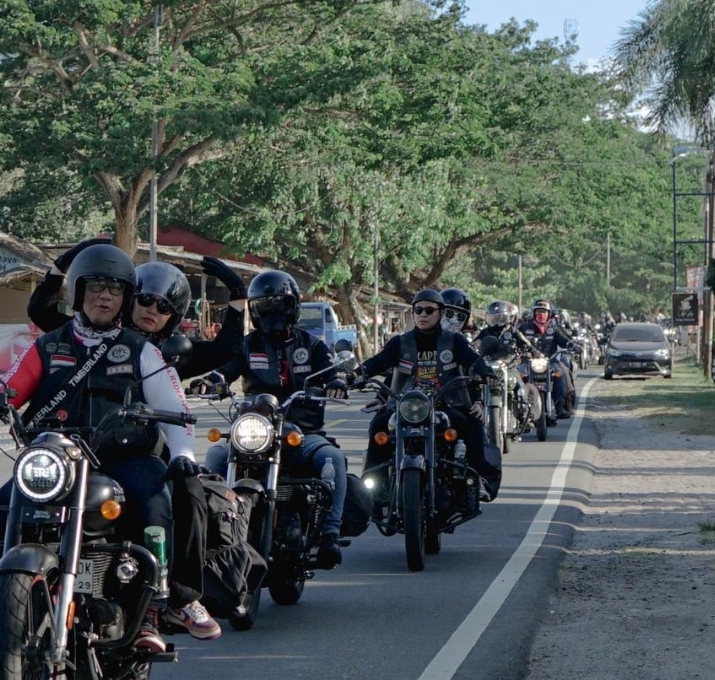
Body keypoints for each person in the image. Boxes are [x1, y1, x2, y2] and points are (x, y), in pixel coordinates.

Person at [0, 244, 219, 651]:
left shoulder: (143, 351)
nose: (104, 297)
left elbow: (176, 410)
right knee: (5, 505)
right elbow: (9, 387)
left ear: (125, 297)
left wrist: (183, 456)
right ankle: (1, 611)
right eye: (95, 288)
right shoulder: (47, 346)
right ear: (78, 292)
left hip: (124, 458)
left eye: (113, 289)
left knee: (154, 499)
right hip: (59, 457)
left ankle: (153, 610)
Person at [188, 270, 350, 567]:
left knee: (333, 459)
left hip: (303, 432)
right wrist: (210, 382)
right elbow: (226, 369)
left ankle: (330, 533)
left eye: (278, 305)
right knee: (215, 455)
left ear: (292, 307)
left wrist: (337, 382)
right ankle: (212, 530)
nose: (272, 312)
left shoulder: (312, 346)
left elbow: (332, 371)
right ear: (254, 310)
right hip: (255, 431)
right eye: (264, 306)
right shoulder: (248, 346)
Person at [355, 288, 501, 502]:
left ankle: (478, 478)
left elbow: (473, 360)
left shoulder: (455, 342)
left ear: (440, 314)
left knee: (472, 424)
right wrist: (355, 375)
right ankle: (374, 488)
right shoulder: (400, 343)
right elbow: (377, 362)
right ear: (413, 314)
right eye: (418, 310)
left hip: (445, 404)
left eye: (429, 310)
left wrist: (486, 373)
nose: (423, 314)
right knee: (379, 424)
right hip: (406, 407)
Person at [27, 237, 247, 379]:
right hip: (85, 433)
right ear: (131, 300)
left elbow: (226, 350)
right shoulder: (97, 333)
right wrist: (61, 266)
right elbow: (41, 312)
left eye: (163, 306)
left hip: (145, 441)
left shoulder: (173, 353)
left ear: (173, 317)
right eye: (145, 300)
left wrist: (237, 294)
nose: (152, 309)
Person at [517, 298, 576, 419]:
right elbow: (515, 340)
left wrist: (574, 345)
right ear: (533, 313)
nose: (541, 315)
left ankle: (560, 407)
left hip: (551, 362)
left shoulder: (554, 328)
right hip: (528, 362)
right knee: (516, 375)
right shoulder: (524, 328)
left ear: (549, 314)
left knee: (561, 374)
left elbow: (565, 340)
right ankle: (518, 408)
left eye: (544, 312)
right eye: (538, 312)